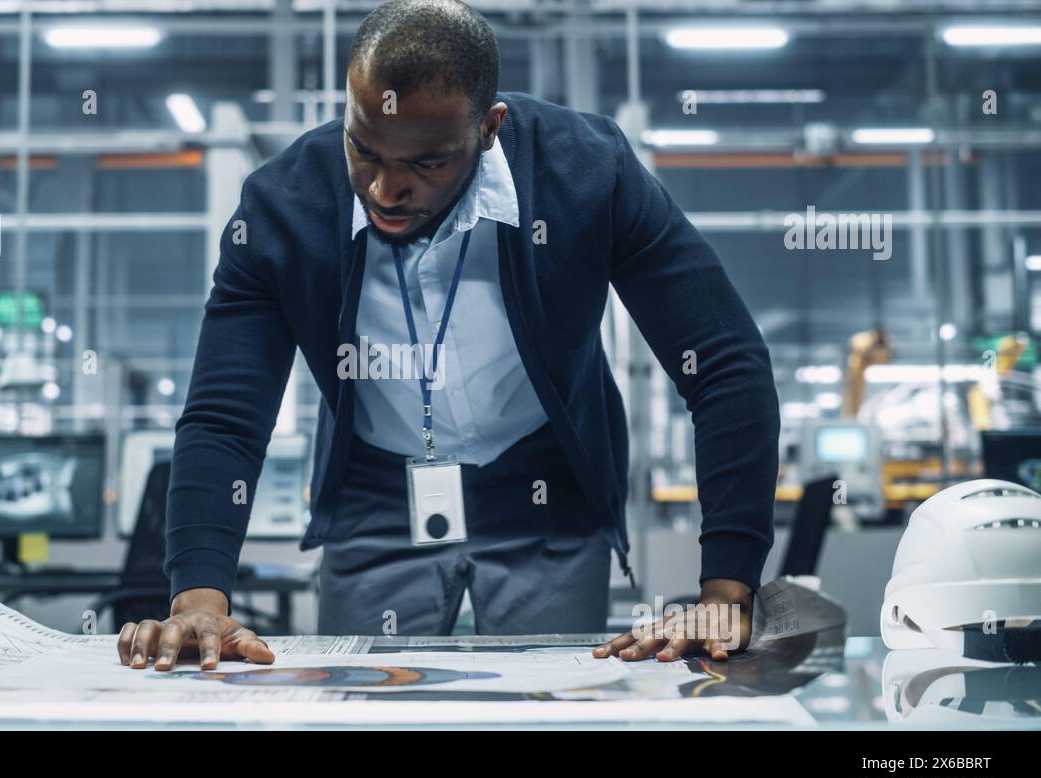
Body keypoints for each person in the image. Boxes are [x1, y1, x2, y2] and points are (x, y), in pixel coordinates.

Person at [116, 0, 779, 672]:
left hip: (545, 496)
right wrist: (199, 596)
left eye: (426, 164)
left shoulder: (586, 175)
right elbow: (225, 418)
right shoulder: (282, 209)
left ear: (489, 128)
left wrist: (725, 587)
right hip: (376, 502)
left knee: (550, 708)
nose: (384, 187)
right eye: (363, 148)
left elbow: (724, 365)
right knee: (360, 710)